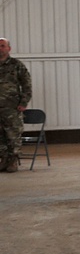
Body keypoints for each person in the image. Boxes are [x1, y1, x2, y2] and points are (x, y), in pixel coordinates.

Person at [0, 37, 32, 173]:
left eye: (2, 46)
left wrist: (23, 102)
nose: (0, 49)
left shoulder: (16, 65)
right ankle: (3, 160)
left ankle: (13, 161)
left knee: (13, 134)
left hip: (12, 107)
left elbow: (26, 85)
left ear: (9, 48)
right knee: (0, 136)